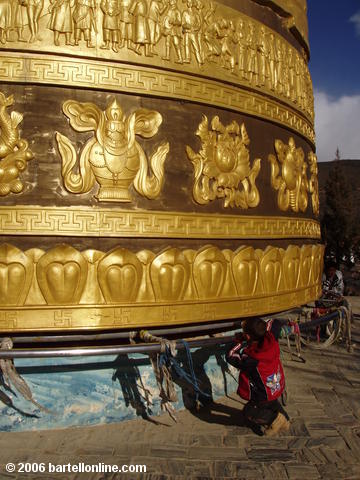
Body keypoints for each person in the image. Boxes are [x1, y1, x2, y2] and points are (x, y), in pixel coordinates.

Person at [226, 317, 290, 436]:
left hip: (262, 393)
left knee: (249, 412)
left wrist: (238, 341)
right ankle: (285, 419)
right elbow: (274, 322)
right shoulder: (272, 339)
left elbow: (230, 356)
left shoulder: (251, 359)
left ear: (248, 336)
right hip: (274, 385)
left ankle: (275, 420)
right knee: (272, 402)